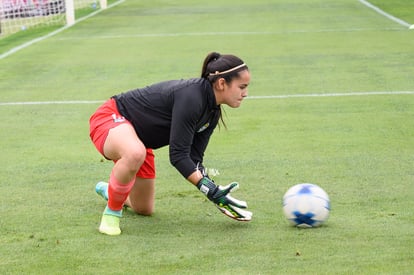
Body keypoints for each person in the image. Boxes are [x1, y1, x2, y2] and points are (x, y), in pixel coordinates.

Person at [89, 52, 253, 236]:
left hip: (139, 142)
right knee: (135, 153)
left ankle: (111, 190)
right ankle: (111, 214)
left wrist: (214, 192)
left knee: (144, 208)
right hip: (110, 119)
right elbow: (178, 155)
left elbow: (193, 158)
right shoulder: (192, 96)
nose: (245, 93)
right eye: (242, 87)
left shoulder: (212, 113)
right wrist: (207, 188)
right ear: (222, 83)